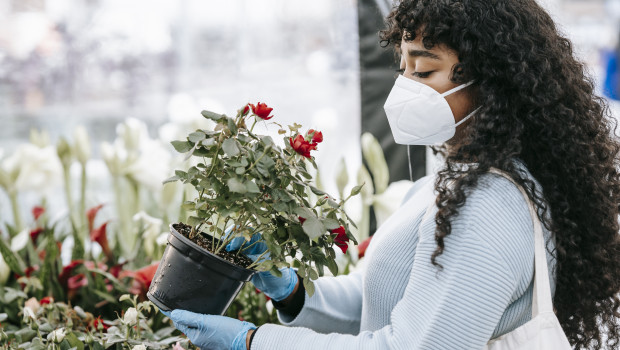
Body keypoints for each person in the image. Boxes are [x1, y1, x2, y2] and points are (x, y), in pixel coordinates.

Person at [164, 0, 620, 349]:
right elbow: (386, 298)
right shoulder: (452, 177)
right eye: (403, 69)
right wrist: (295, 293)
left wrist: (252, 341)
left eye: (423, 70)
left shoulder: (488, 204)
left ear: (494, 79)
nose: (405, 88)